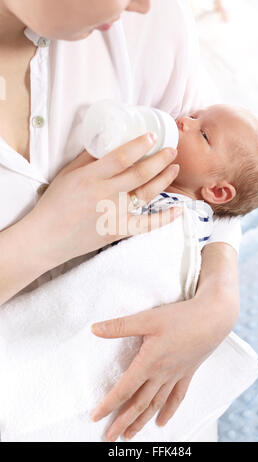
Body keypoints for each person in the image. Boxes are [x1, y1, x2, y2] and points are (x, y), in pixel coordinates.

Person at [0, 0, 241, 442]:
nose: (145, 4)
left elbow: (222, 180)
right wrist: (42, 240)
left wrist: (219, 299)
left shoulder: (152, 23)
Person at [164, 104, 258, 217]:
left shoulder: (180, 222)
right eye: (193, 116)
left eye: (203, 134)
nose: (184, 121)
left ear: (217, 191)